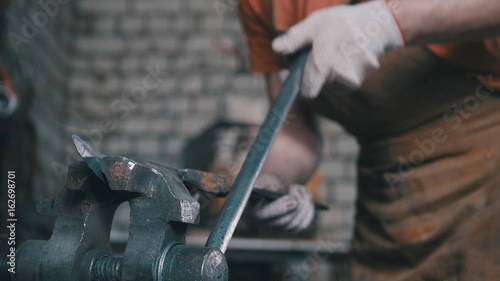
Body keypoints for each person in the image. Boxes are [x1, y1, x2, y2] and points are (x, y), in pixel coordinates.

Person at [239, 0, 500, 280]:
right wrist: (271, 183)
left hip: (487, 175)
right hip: (388, 210)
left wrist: (388, 21)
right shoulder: (260, 5)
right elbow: (291, 129)